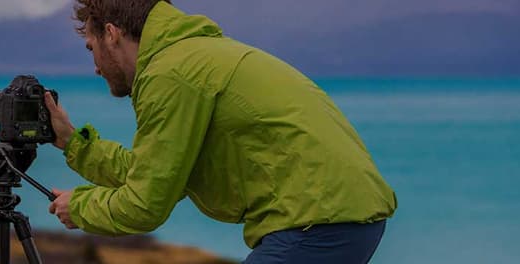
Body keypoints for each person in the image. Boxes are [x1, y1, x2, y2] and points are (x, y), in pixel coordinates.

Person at [42, 0, 397, 263]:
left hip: (317, 223)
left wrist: (81, 206)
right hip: (342, 216)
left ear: (111, 33)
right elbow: (155, 173)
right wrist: (71, 142)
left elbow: (145, 205)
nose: (95, 68)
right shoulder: (190, 57)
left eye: (91, 49)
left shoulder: (170, 74)